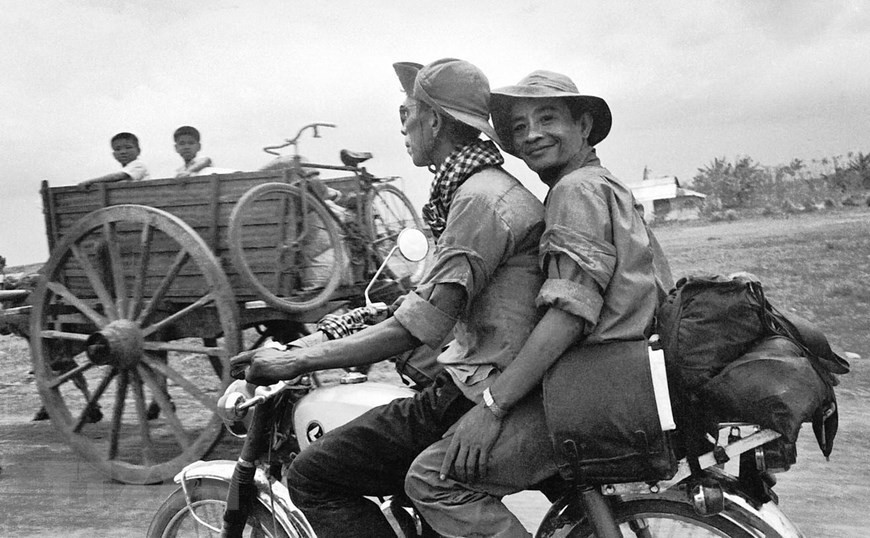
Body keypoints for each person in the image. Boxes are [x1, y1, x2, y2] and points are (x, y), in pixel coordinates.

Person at [229, 58, 546, 537]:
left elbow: (417, 328)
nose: (403, 126)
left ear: (434, 120)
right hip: (487, 374)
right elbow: (434, 296)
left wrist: (297, 362)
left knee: (315, 475)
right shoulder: (478, 190)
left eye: (406, 113)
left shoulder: (479, 201)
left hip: (480, 386)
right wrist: (354, 322)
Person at [400, 70, 674, 536]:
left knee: (433, 479)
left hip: (592, 393)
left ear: (584, 125)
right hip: (621, 381)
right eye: (521, 127)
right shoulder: (603, 183)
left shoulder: (576, 191)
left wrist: (491, 405)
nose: (532, 135)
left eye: (547, 119)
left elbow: (568, 314)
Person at [78, 132, 150, 187]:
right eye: (118, 149)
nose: (123, 152)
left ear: (138, 151)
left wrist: (90, 182)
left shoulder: (138, 165)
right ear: (114, 155)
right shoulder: (127, 168)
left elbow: (117, 176)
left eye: (128, 147)